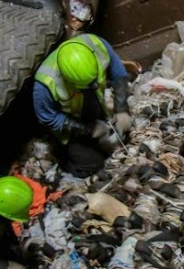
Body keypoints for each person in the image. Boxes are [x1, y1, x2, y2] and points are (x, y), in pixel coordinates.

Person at [33, 33, 132, 177]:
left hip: (92, 103)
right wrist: (88, 129)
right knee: (93, 164)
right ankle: (64, 160)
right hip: (71, 124)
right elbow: (48, 118)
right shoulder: (44, 85)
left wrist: (121, 109)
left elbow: (119, 74)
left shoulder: (96, 44)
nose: (95, 85)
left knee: (124, 136)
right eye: (87, 84)